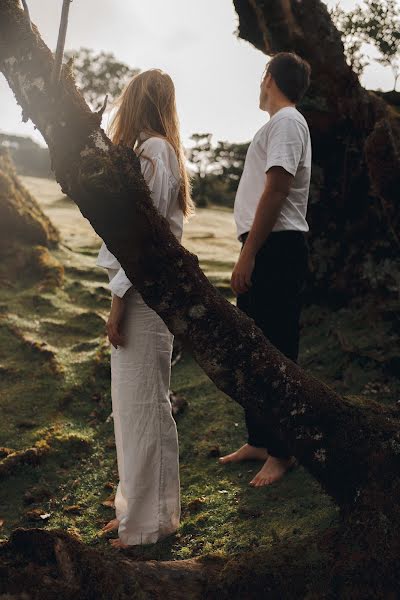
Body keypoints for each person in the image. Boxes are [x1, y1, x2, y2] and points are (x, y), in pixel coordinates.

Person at [96, 69, 194, 547]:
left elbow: (139, 244)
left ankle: (147, 525)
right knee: (134, 408)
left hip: (142, 297)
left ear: (137, 101)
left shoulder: (154, 152)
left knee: (145, 408)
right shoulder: (149, 151)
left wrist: (117, 304)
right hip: (139, 295)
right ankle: (138, 511)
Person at [219, 52, 312, 487]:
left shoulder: (288, 122)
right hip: (266, 245)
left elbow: (277, 189)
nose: (259, 86)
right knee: (251, 347)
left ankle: (283, 451)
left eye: (261, 78)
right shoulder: (277, 125)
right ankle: (259, 439)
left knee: (275, 354)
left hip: (277, 247)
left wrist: (248, 254)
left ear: (270, 78)